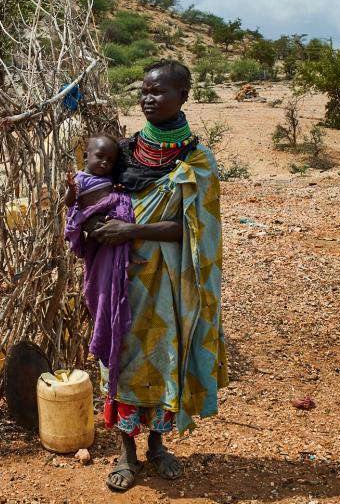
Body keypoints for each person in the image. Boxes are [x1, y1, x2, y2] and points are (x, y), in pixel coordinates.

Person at [89, 60, 228, 492]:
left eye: (159, 92)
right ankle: (125, 453)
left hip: (168, 282)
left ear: (184, 96)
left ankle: (158, 446)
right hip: (121, 280)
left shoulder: (197, 160)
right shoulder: (122, 153)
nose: (148, 98)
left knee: (163, 358)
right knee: (120, 361)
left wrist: (133, 230)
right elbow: (95, 203)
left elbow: (194, 230)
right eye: (144, 91)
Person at [63, 134, 136, 403]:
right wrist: (71, 189)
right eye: (99, 157)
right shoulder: (81, 179)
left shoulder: (113, 181)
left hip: (113, 229)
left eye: (110, 160)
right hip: (98, 236)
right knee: (100, 295)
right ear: (86, 157)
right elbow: (70, 204)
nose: (104, 163)